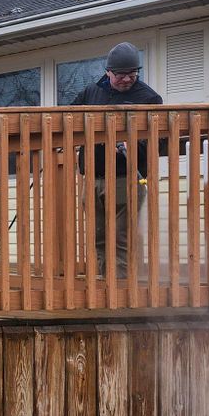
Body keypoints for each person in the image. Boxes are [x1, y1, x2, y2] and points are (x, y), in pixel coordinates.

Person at [71, 42, 163, 277]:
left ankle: (122, 290)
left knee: (122, 237)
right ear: (108, 72)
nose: (126, 80)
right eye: (121, 75)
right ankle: (106, 284)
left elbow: (159, 142)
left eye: (132, 74)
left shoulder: (149, 98)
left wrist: (134, 144)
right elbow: (68, 120)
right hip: (93, 178)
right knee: (99, 236)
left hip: (126, 178)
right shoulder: (91, 93)